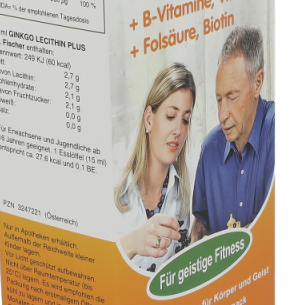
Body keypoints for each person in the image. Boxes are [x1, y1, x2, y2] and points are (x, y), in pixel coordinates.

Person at [192, 26, 275, 240]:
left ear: (257, 83)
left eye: (232, 97)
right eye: (219, 99)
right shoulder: (209, 150)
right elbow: (200, 224)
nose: (222, 115)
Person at [114, 63, 196, 272]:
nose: (178, 130)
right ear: (149, 119)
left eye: (185, 120)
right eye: (171, 116)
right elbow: (92, 267)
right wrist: (133, 242)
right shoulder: (114, 186)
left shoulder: (182, 194)